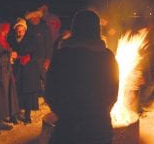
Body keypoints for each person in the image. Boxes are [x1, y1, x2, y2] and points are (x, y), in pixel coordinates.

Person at [45, 10, 119, 144]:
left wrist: (64, 113)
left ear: (75, 28)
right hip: (98, 128)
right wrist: (100, 111)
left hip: (68, 127)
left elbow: (50, 92)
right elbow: (113, 92)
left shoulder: (61, 55)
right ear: (97, 29)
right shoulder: (107, 56)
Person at [9, 18, 41, 124]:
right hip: (18, 69)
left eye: (21, 31)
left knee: (28, 93)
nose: (20, 33)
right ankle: (15, 114)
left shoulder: (32, 39)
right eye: (18, 31)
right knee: (17, 92)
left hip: (29, 70)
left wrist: (25, 57)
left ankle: (27, 116)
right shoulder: (12, 39)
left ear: (25, 30)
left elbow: (36, 53)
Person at [25, 7, 53, 95]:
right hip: (30, 59)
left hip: (42, 58)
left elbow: (49, 45)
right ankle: (37, 97)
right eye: (32, 17)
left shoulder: (44, 28)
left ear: (39, 17)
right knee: (33, 80)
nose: (34, 19)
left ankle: (49, 95)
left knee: (45, 78)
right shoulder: (27, 28)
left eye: (36, 17)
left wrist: (48, 59)